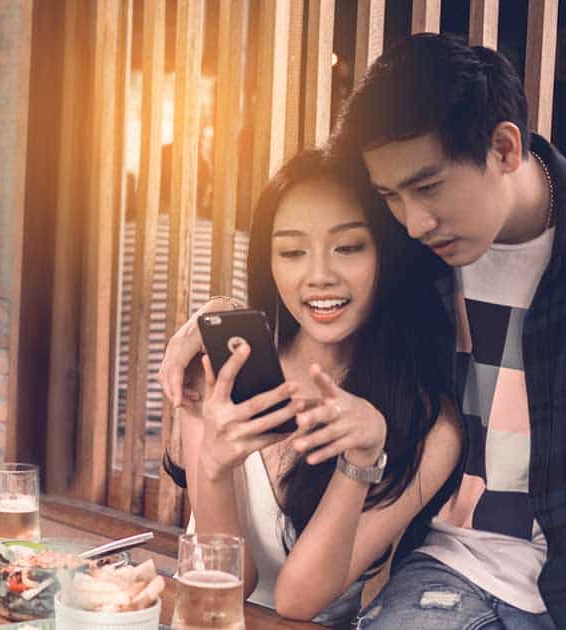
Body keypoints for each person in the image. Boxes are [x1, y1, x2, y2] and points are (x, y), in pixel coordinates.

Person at [329, 33, 564, 629]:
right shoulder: (408, 251)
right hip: (454, 567)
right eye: (391, 195)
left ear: (505, 149)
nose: (413, 222)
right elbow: (306, 281)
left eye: (429, 187)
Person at [169, 149, 461, 625]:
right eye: (291, 252)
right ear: (270, 263)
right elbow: (228, 584)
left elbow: (298, 601)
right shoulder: (217, 372)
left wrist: (361, 460)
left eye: (348, 247)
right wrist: (216, 469)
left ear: (386, 253)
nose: (319, 276)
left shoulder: (431, 426)